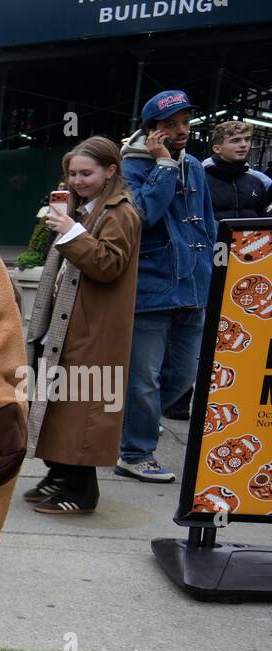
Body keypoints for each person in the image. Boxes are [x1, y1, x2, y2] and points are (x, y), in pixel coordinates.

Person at [25, 138, 142, 514]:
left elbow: (109, 265)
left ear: (110, 171)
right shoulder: (85, 207)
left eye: (86, 173)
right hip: (69, 321)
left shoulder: (120, 213)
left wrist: (71, 231)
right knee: (58, 402)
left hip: (95, 326)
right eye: (72, 173)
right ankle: (59, 475)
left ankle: (80, 489)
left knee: (82, 407)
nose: (77, 180)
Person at [116, 90, 217, 480]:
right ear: (152, 130)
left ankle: (131, 427)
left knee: (183, 377)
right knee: (144, 379)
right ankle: (135, 452)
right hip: (152, 288)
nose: (181, 131)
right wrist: (163, 166)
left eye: (185, 123)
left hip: (194, 286)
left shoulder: (194, 164)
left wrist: (208, 265)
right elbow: (142, 215)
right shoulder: (131, 167)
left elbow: (205, 221)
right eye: (171, 125)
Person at [203, 120, 271, 222]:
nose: (244, 145)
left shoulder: (257, 182)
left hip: (253, 238)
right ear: (217, 149)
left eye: (247, 139)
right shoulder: (200, 180)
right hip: (213, 238)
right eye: (235, 140)